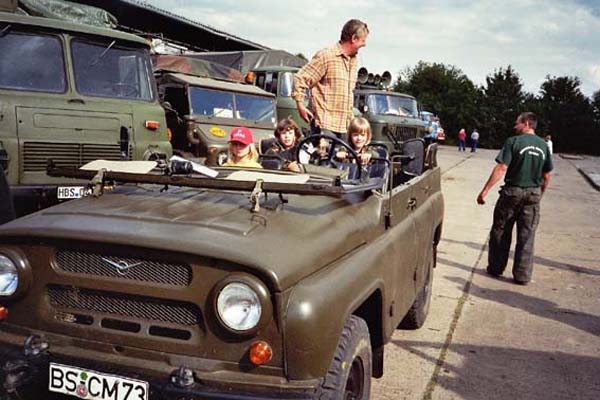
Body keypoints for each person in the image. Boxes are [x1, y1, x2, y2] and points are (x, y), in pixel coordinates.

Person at [477, 112, 553, 285]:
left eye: (517, 123)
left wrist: (485, 191)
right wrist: (539, 194)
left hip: (512, 192)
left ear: (526, 123)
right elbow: (547, 175)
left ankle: (496, 267)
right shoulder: (543, 146)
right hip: (533, 193)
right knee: (527, 235)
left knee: (501, 230)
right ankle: (522, 275)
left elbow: (502, 167)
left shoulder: (513, 142)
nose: (515, 126)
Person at [291, 19, 369, 140]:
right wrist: (300, 105)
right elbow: (301, 78)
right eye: (363, 41)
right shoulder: (326, 56)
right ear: (354, 38)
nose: (364, 44)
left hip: (345, 126)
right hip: (325, 125)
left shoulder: (353, 61)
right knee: (324, 157)